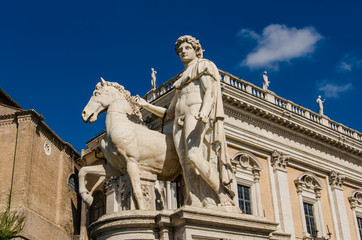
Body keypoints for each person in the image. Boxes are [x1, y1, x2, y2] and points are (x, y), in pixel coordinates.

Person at [136, 35, 235, 208]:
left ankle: (221, 193)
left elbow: (210, 93)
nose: (183, 51)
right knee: (185, 164)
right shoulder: (181, 81)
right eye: (180, 50)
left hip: (195, 114)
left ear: (196, 50)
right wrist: (146, 105)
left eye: (187, 48)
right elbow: (169, 112)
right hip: (179, 120)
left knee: (194, 155)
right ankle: (195, 199)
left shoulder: (203, 66)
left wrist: (204, 112)